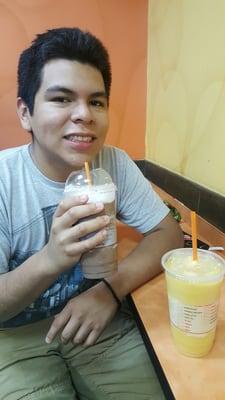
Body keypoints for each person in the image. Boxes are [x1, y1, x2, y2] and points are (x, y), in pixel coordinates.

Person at [0, 27, 183, 400]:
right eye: (62, 99)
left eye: (96, 102)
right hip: (13, 339)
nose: (84, 114)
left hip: (100, 320)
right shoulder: (5, 180)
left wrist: (109, 293)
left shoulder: (111, 163)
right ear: (26, 112)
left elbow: (168, 234)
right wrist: (52, 258)